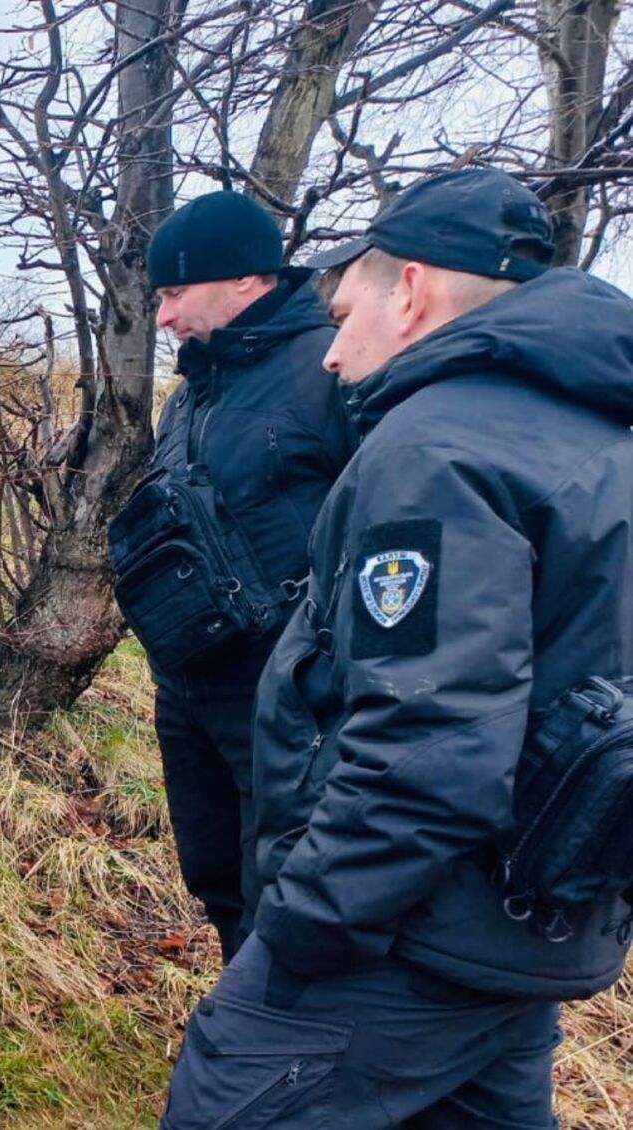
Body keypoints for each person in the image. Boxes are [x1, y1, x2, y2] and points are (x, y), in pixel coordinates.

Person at [161, 168, 633, 1128]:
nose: (331, 353)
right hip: (534, 925)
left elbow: (431, 743)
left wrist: (304, 927)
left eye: (343, 312)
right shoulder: (595, 435)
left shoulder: (435, 451)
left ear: (410, 290)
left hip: (403, 941)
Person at [111, 190, 354, 961]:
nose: (165, 317)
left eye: (176, 293)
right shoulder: (190, 396)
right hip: (190, 686)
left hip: (287, 696)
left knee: (280, 883)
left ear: (247, 280)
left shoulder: (333, 373)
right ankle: (242, 1017)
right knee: (214, 872)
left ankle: (276, 1049)